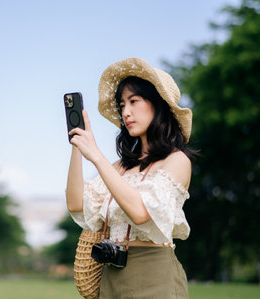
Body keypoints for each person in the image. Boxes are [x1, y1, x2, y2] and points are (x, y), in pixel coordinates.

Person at [66, 57, 197, 298]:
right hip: (111, 276)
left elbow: (140, 212)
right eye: (122, 104)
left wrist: (95, 155)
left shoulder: (177, 160)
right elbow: (76, 205)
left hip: (155, 276)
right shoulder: (119, 168)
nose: (126, 112)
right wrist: (77, 145)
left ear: (158, 104)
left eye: (134, 101)